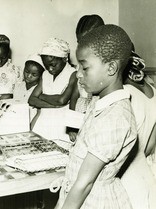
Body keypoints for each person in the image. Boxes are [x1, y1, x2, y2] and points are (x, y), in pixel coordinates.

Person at [53, 24, 137, 209]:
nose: (78, 74)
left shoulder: (116, 117)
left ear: (111, 68)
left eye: (85, 68)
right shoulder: (99, 102)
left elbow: (84, 184)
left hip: (94, 201)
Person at [119, 52, 156, 209]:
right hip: (145, 168)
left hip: (126, 171)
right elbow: (150, 144)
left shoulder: (125, 93)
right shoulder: (153, 90)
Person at [28, 37, 77, 141]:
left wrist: (41, 96)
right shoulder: (45, 74)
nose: (50, 69)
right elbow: (31, 99)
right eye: (46, 66)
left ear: (64, 58)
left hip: (60, 127)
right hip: (42, 125)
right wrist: (56, 105)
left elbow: (62, 100)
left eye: (53, 65)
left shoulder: (73, 74)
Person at [68, 14, 105, 142]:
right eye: (79, 42)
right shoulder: (81, 63)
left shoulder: (105, 65)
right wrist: (72, 126)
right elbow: (74, 97)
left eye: (88, 42)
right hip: (80, 113)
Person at [13, 53, 44, 128]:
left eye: (34, 74)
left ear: (41, 76)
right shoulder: (18, 86)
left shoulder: (39, 91)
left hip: (31, 126)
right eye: (27, 71)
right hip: (14, 123)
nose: (29, 76)